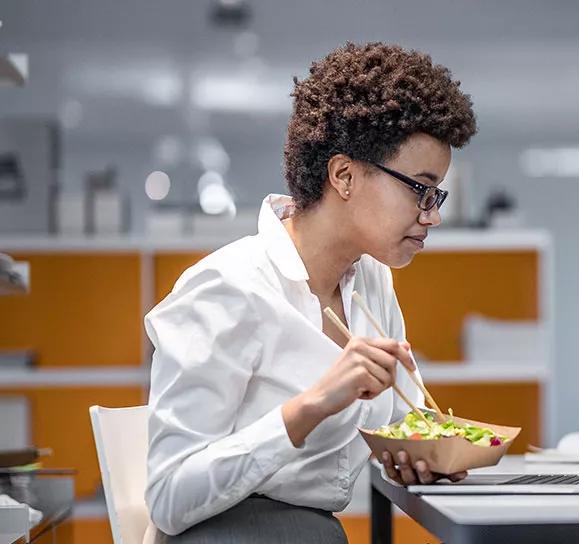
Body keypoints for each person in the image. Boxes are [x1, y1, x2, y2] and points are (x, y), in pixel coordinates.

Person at [144, 41, 477, 542]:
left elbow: (407, 423)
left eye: (438, 195)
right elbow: (169, 496)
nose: (432, 215)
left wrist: (420, 458)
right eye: (419, 189)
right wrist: (311, 406)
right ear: (343, 175)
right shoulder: (227, 288)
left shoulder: (372, 282)